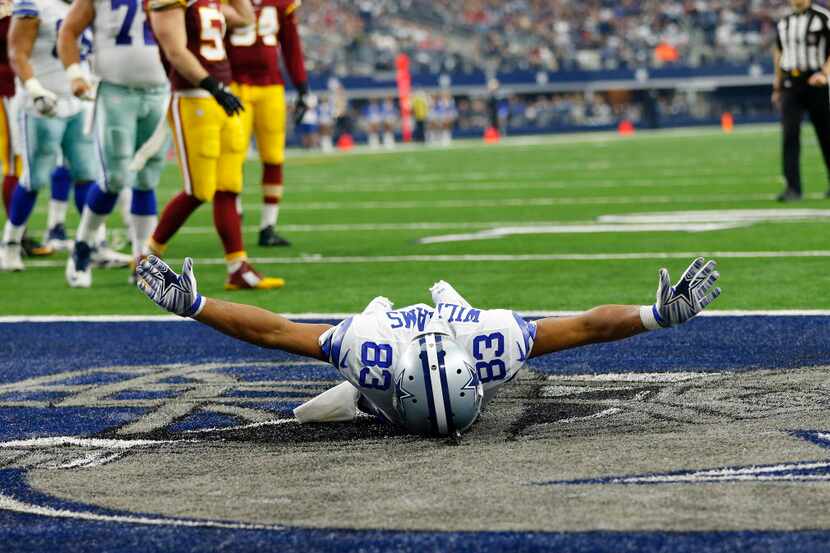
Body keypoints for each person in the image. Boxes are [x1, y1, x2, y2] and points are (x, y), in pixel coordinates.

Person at [135, 255, 721, 436]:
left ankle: (361, 396)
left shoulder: (491, 345)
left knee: (311, 415)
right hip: (395, 339)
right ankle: (361, 399)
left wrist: (654, 315)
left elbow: (274, 331)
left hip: (446, 332)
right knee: (316, 412)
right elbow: (271, 330)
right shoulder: (373, 353)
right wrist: (194, 304)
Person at [145, 0, 284, 290]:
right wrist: (213, 87)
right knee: (198, 190)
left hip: (223, 95)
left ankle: (238, 267)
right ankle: (148, 258)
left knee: (229, 186)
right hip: (195, 96)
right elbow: (175, 51)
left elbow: (246, 19)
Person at [58, 0, 170, 287]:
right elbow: (69, 30)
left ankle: (142, 261)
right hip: (116, 89)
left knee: (148, 178)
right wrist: (74, 75)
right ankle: (83, 246)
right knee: (115, 178)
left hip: (161, 91)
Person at [2, 0, 101, 271]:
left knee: (86, 175)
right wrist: (34, 90)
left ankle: (90, 244)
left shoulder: (86, 4)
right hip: (42, 103)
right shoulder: (34, 4)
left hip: (78, 101)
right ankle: (10, 244)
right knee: (34, 178)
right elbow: (17, 52)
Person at [226, 0, 309, 248]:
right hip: (235, 85)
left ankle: (268, 226)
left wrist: (303, 87)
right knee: (233, 155)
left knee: (273, 157)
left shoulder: (282, 4)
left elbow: (291, 47)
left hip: (271, 86)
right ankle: (233, 218)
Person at [772, 0, 830, 201]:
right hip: (791, 84)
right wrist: (777, 84)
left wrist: (825, 73)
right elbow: (779, 53)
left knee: (826, 135)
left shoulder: (823, 18)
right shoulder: (784, 22)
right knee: (789, 134)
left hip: (816, 82)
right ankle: (793, 188)